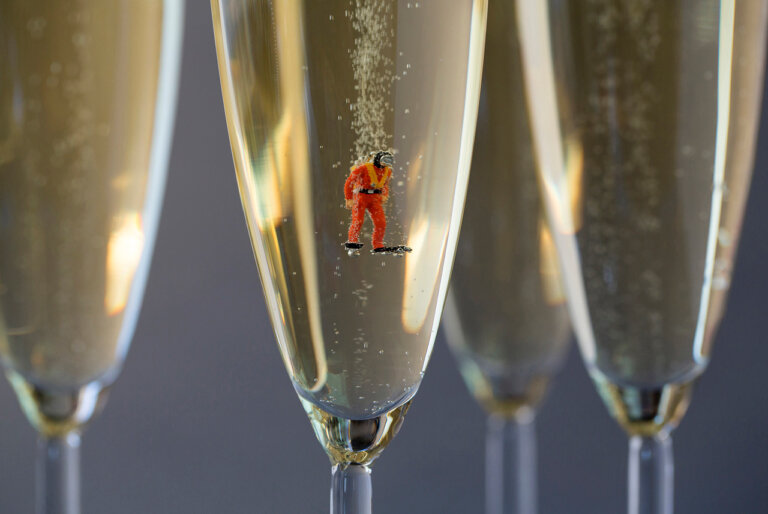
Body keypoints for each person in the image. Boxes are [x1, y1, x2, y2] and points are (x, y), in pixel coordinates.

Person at [344, 151, 394, 252]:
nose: (385, 164)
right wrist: (349, 198)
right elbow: (350, 181)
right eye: (384, 161)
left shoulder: (387, 172)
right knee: (358, 221)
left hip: (375, 198)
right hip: (360, 197)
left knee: (381, 222)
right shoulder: (364, 168)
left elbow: (385, 185)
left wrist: (384, 195)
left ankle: (378, 244)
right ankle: (352, 241)